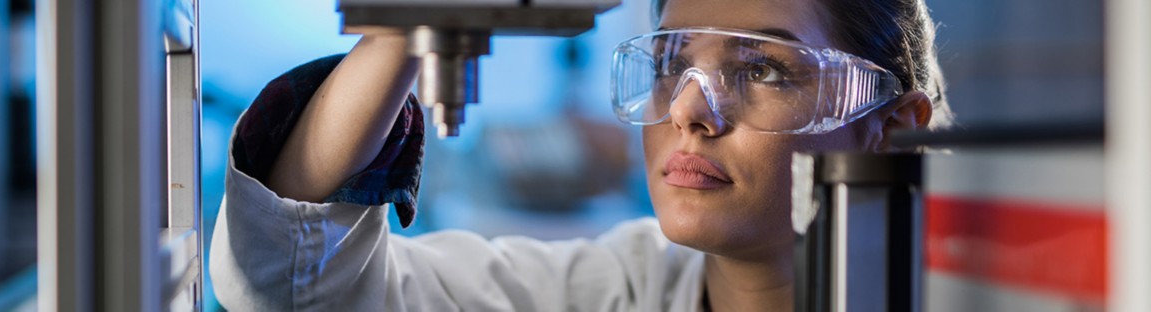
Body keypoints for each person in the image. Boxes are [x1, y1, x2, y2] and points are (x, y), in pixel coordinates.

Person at [209, 0, 954, 310]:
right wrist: (413, 25)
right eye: (670, 63)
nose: (690, 111)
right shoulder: (613, 289)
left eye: (761, 71)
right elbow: (297, 284)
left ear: (891, 128)